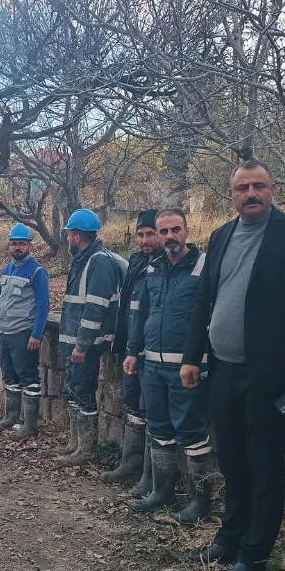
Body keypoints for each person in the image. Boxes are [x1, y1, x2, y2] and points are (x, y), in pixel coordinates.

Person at [179, 160, 285, 571]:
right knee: (231, 461)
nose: (251, 193)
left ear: (272, 188)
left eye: (259, 186)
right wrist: (192, 356)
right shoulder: (221, 236)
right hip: (223, 371)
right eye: (242, 187)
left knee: (263, 468)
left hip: (270, 376)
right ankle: (229, 539)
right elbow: (204, 301)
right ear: (231, 195)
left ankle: (255, 557)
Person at [124, 208, 213, 519]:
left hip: (187, 368)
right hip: (153, 365)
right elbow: (142, 314)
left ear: (186, 231)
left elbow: (211, 316)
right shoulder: (153, 269)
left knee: (191, 431)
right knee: (159, 428)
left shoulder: (204, 266)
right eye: (163, 231)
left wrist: (196, 359)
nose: (169, 236)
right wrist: (133, 351)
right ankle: (162, 492)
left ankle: (201, 503)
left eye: (175, 229)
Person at [57, 208, 126, 466]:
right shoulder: (83, 260)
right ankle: (75, 444)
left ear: (77, 237)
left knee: (84, 392)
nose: (67, 239)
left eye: (69, 235)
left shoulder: (99, 262)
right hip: (75, 342)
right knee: (73, 390)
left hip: (87, 345)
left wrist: (82, 344)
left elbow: (96, 307)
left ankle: (86, 450)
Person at [102, 209, 162, 489]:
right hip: (132, 348)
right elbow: (128, 307)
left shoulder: (166, 265)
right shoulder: (136, 263)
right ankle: (130, 464)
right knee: (132, 404)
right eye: (141, 235)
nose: (145, 240)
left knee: (151, 411)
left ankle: (151, 477)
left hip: (154, 352)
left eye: (150, 234)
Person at [0, 223, 51, 440]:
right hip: (5, 332)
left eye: (22, 244)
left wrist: (36, 334)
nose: (17, 247)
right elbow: (2, 301)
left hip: (23, 332)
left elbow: (43, 305)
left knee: (28, 377)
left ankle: (30, 425)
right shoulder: (7, 269)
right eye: (14, 244)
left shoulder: (37, 272)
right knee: (9, 376)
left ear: (29, 246)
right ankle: (11, 417)